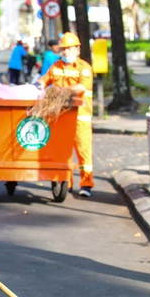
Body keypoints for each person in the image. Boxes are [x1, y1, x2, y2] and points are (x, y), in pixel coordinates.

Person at [36, 32, 95, 197]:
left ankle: (86, 184)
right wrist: (38, 85)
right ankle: (65, 181)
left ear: (77, 49)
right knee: (62, 152)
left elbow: (82, 87)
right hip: (59, 118)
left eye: (69, 49)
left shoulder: (84, 68)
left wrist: (63, 91)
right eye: (63, 49)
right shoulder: (56, 67)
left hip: (80, 118)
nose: (65, 52)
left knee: (83, 151)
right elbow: (44, 79)